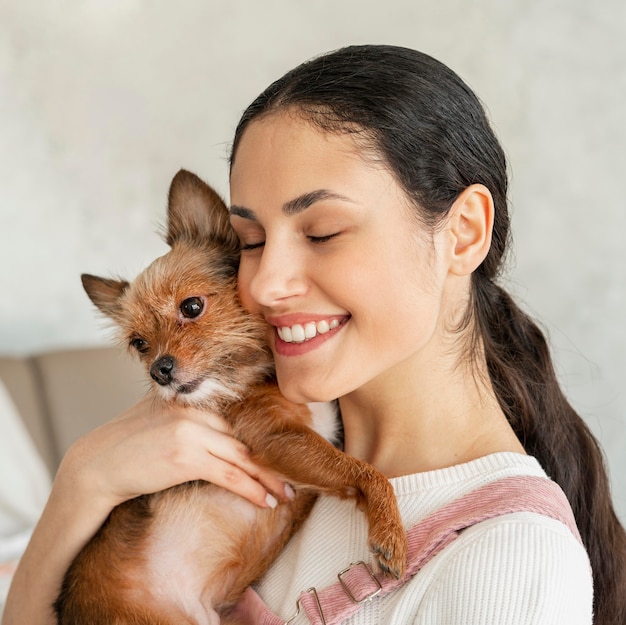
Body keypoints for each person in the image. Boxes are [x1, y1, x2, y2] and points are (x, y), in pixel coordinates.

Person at [3, 44, 625, 625]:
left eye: (322, 232)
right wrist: (83, 482)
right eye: (250, 243)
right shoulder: (265, 451)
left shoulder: (511, 558)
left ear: (462, 234)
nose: (265, 283)